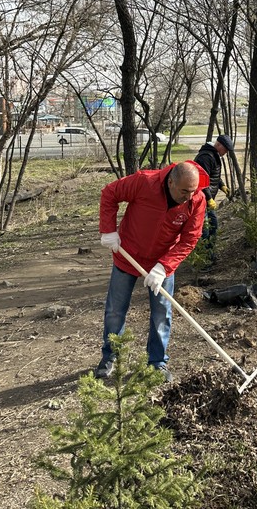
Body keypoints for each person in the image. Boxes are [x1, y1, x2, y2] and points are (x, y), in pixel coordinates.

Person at [95, 160, 210, 380]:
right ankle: (111, 356)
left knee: (161, 313)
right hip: (127, 254)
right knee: (115, 310)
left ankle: (157, 363)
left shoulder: (197, 200)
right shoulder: (144, 182)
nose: (189, 196)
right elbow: (110, 193)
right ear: (170, 182)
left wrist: (164, 266)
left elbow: (190, 238)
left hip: (161, 262)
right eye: (184, 191)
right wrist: (108, 230)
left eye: (193, 191)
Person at [193, 134, 234, 254]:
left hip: (207, 200)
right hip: (201, 199)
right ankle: (202, 259)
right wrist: (209, 198)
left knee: (213, 226)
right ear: (218, 145)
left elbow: (213, 176)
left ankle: (210, 255)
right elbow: (202, 180)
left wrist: (222, 186)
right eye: (225, 150)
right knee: (204, 230)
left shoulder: (214, 155)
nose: (225, 153)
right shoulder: (205, 157)